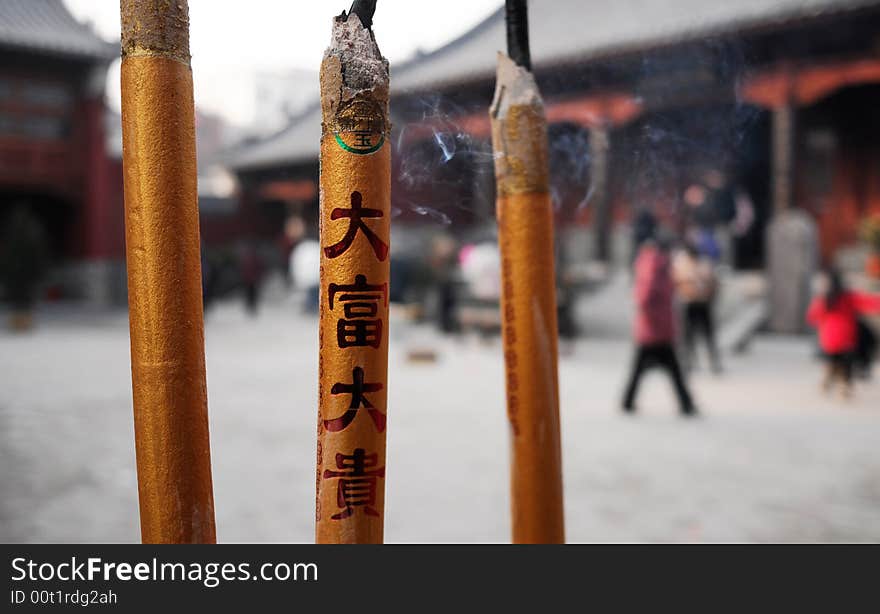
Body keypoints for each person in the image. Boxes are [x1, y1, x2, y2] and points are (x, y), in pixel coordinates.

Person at [622, 234, 697, 416]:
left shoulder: (652, 265)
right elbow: (646, 297)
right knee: (671, 370)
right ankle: (686, 404)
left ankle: (628, 402)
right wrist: (653, 319)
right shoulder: (656, 266)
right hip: (656, 328)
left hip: (653, 328)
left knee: (644, 370)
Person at [807, 269, 880, 397]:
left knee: (834, 357)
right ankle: (845, 384)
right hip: (846, 338)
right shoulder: (849, 297)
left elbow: (812, 317)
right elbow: (870, 303)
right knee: (848, 358)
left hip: (828, 340)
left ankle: (830, 374)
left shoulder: (824, 300)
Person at [673, 243, 722, 372]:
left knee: (708, 335)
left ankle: (713, 362)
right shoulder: (682, 264)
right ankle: (689, 362)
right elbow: (677, 282)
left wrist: (709, 293)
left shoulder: (704, 264)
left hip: (702, 303)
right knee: (688, 336)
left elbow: (714, 282)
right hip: (689, 303)